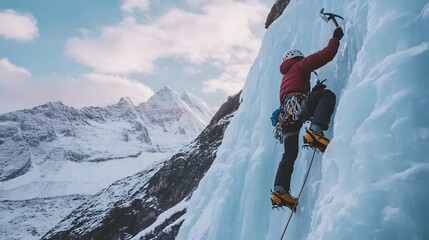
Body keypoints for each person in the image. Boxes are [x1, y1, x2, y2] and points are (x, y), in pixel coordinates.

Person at [271, 27, 344, 210]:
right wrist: (335, 38)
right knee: (327, 96)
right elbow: (324, 55)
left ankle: (280, 191)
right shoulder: (299, 65)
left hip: (287, 118)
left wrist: (312, 93)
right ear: (297, 58)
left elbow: (295, 94)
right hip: (297, 107)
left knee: (289, 155)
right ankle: (315, 132)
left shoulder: (286, 76)